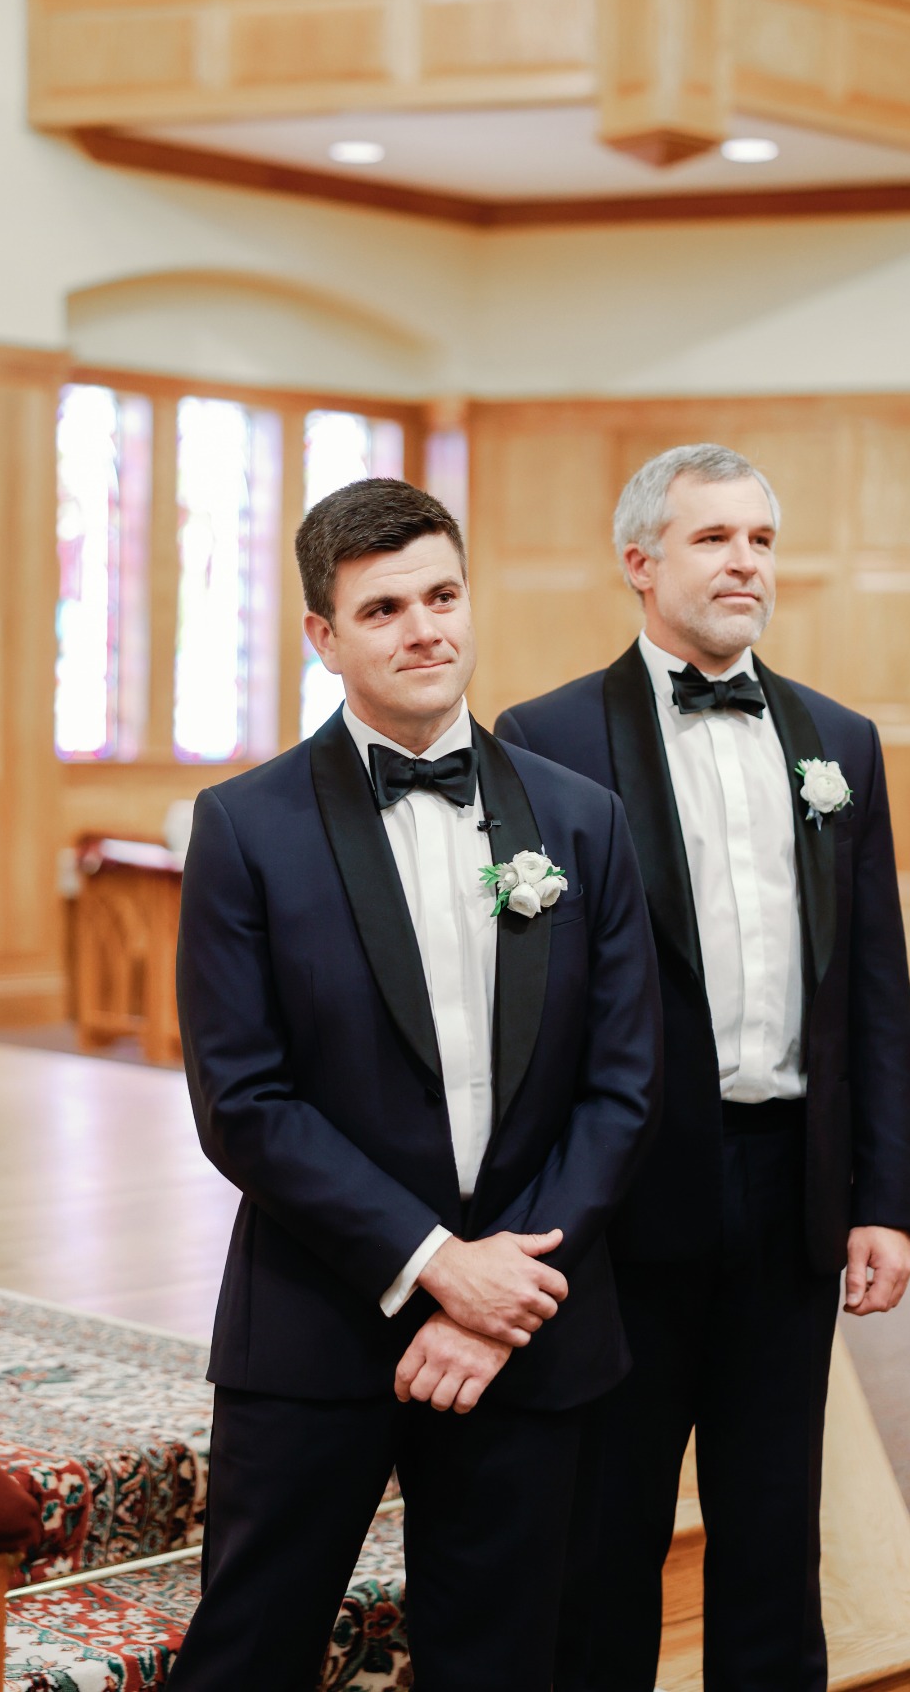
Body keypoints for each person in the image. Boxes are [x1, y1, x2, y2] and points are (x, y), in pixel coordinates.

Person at [167, 478, 661, 1692]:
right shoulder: (245, 826)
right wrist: (442, 1264)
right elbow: (244, 1099)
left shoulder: (583, 822)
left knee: (500, 1660)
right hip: (321, 1318)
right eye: (383, 609)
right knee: (250, 1652)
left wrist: (508, 1285)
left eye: (442, 595)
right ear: (323, 639)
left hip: (527, 1328)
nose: (426, 628)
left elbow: (622, 1082)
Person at [494, 443, 910, 1692]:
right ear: (640, 562)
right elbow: (541, 1010)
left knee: (776, 1526)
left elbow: (876, 989)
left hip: (793, 1187)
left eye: (762, 540)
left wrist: (884, 1195)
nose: (745, 562)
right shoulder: (551, 736)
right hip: (625, 1201)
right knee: (610, 1529)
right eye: (713, 538)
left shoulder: (839, 740)